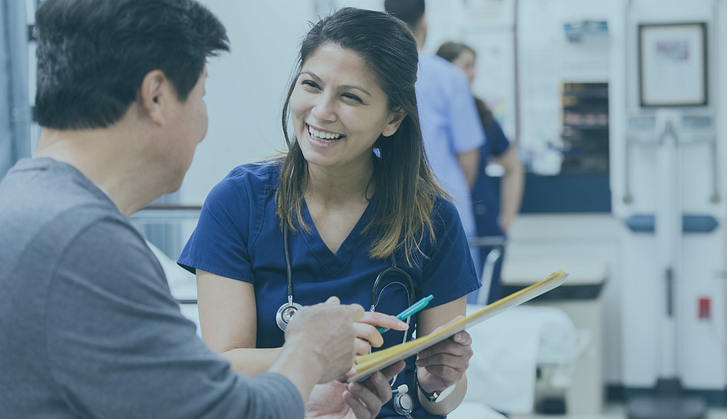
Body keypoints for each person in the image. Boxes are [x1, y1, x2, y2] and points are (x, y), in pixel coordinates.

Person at [0, 0, 367, 418]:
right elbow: (222, 413)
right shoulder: (82, 243)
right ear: (156, 97)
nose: (204, 125)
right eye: (201, 96)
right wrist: (310, 349)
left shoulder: (25, 206)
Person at [178, 7, 477, 419]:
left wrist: (438, 384)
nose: (321, 111)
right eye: (311, 85)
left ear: (393, 118)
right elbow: (222, 365)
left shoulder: (432, 219)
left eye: (350, 96)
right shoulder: (238, 203)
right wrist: (317, 355)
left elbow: (443, 397)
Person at [384, 0, 486, 277]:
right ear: (425, 20)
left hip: (388, 213)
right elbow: (468, 158)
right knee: (457, 313)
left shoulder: (378, 74)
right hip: (446, 211)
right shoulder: (450, 77)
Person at [436, 41, 525, 303]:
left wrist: (506, 221)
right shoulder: (428, 111)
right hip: (445, 223)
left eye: (474, 66)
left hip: (483, 225)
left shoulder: (480, 113)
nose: (473, 73)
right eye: (466, 65)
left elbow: (513, 167)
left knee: (485, 308)